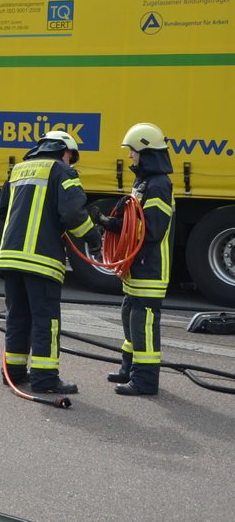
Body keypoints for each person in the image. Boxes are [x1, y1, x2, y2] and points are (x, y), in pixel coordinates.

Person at [0, 130, 100, 394]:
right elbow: (74, 213)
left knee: (17, 317)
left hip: (10, 257)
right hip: (41, 261)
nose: (70, 163)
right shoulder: (61, 172)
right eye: (71, 158)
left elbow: (2, 210)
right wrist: (92, 237)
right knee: (46, 321)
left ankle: (14, 373)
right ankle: (44, 379)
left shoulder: (18, 169)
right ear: (65, 151)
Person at [93, 123, 175, 396]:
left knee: (144, 322)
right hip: (136, 266)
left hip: (150, 267)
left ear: (147, 152)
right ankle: (128, 368)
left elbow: (151, 228)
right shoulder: (144, 182)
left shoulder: (160, 185)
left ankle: (145, 380)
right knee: (129, 315)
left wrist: (113, 225)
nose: (130, 157)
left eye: (133, 151)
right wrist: (111, 222)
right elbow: (133, 219)